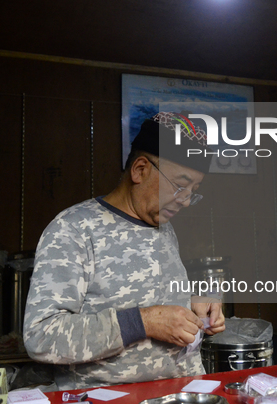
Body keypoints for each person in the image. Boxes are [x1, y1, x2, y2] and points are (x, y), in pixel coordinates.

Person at [23, 112, 225, 390]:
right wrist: (144, 322)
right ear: (140, 170)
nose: (186, 200)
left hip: (178, 394)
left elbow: (141, 296)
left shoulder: (163, 228)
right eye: (180, 185)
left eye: (193, 190)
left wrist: (191, 305)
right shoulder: (74, 229)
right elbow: (41, 338)